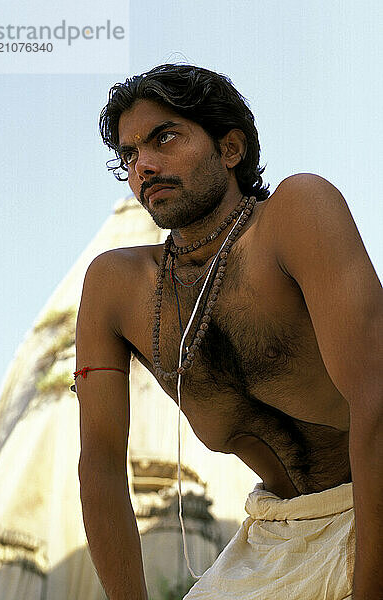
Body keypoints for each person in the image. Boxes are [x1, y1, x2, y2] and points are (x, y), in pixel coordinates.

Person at [74, 64, 382, 600]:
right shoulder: (115, 287)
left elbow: (378, 397)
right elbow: (99, 461)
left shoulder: (296, 212)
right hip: (278, 537)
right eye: (128, 155)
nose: (143, 165)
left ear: (231, 148)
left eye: (163, 138)